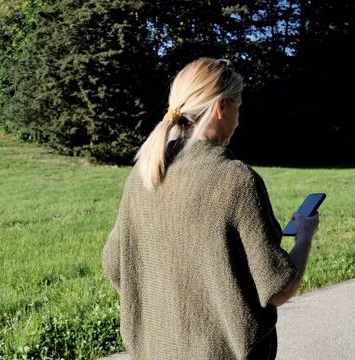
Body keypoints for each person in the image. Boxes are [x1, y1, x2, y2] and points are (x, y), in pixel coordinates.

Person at [101, 57, 320, 359]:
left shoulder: (143, 176)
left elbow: (114, 264)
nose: (239, 120)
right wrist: (305, 235)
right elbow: (278, 289)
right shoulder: (236, 180)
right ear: (221, 108)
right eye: (238, 108)